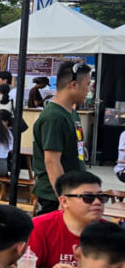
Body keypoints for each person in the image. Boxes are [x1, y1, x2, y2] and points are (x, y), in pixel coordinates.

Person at [32, 60, 92, 214]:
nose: (89, 89)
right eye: (87, 84)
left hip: (72, 192)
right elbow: (52, 161)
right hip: (54, 198)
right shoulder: (54, 117)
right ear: (74, 85)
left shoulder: (71, 112)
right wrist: (63, 197)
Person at [27, 170, 108, 268]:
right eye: (88, 197)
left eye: (102, 197)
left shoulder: (109, 232)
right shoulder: (39, 227)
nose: (97, 202)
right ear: (64, 201)